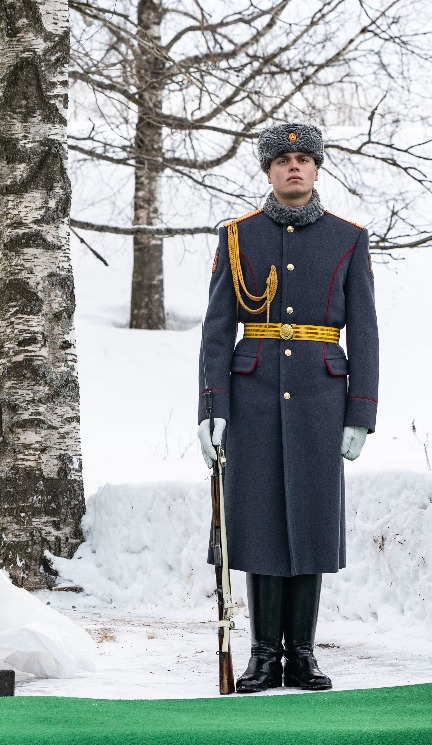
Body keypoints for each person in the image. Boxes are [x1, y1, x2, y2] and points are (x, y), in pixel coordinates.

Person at [196, 123, 378, 693]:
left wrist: (360, 412)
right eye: (282, 160)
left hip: (322, 400)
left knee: (312, 523)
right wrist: (212, 406)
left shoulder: (349, 237)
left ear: (317, 169)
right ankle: (262, 658)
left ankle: (301, 656)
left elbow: (365, 331)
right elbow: (217, 329)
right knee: (260, 524)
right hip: (251, 401)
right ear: (268, 172)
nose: (293, 167)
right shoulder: (237, 236)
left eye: (303, 159)